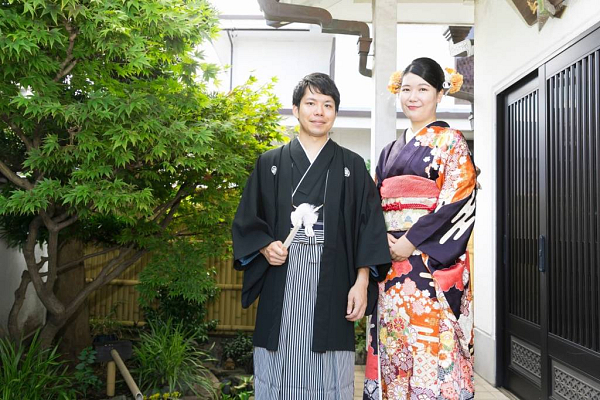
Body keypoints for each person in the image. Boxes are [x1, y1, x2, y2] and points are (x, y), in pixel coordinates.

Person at [232, 72, 391, 400]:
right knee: (280, 364)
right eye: (311, 103)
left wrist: (362, 282)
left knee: (329, 369)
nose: (319, 111)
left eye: (328, 104)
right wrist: (264, 247)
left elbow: (369, 227)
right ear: (295, 109)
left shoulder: (351, 166)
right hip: (284, 274)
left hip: (334, 275)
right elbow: (248, 220)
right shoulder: (270, 164)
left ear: (335, 112)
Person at [363, 58, 477, 400]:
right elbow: (373, 204)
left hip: (429, 265)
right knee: (393, 348)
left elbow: (459, 198)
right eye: (406, 89)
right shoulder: (387, 152)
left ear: (440, 94)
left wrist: (411, 240)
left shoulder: (452, 142)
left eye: (423, 89)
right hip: (391, 268)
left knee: (432, 345)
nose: (413, 97)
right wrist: (379, 237)